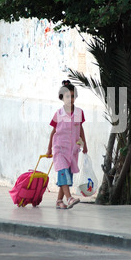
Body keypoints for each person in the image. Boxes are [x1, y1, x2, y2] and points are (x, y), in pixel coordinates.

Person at [47, 80, 88, 209]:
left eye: (72, 96)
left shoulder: (78, 113)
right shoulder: (58, 114)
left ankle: (59, 200)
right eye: (67, 96)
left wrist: (85, 144)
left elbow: (80, 129)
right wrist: (49, 149)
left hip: (72, 150)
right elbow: (53, 132)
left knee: (67, 176)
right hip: (59, 149)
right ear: (62, 98)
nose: (70, 99)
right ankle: (69, 198)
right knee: (63, 172)